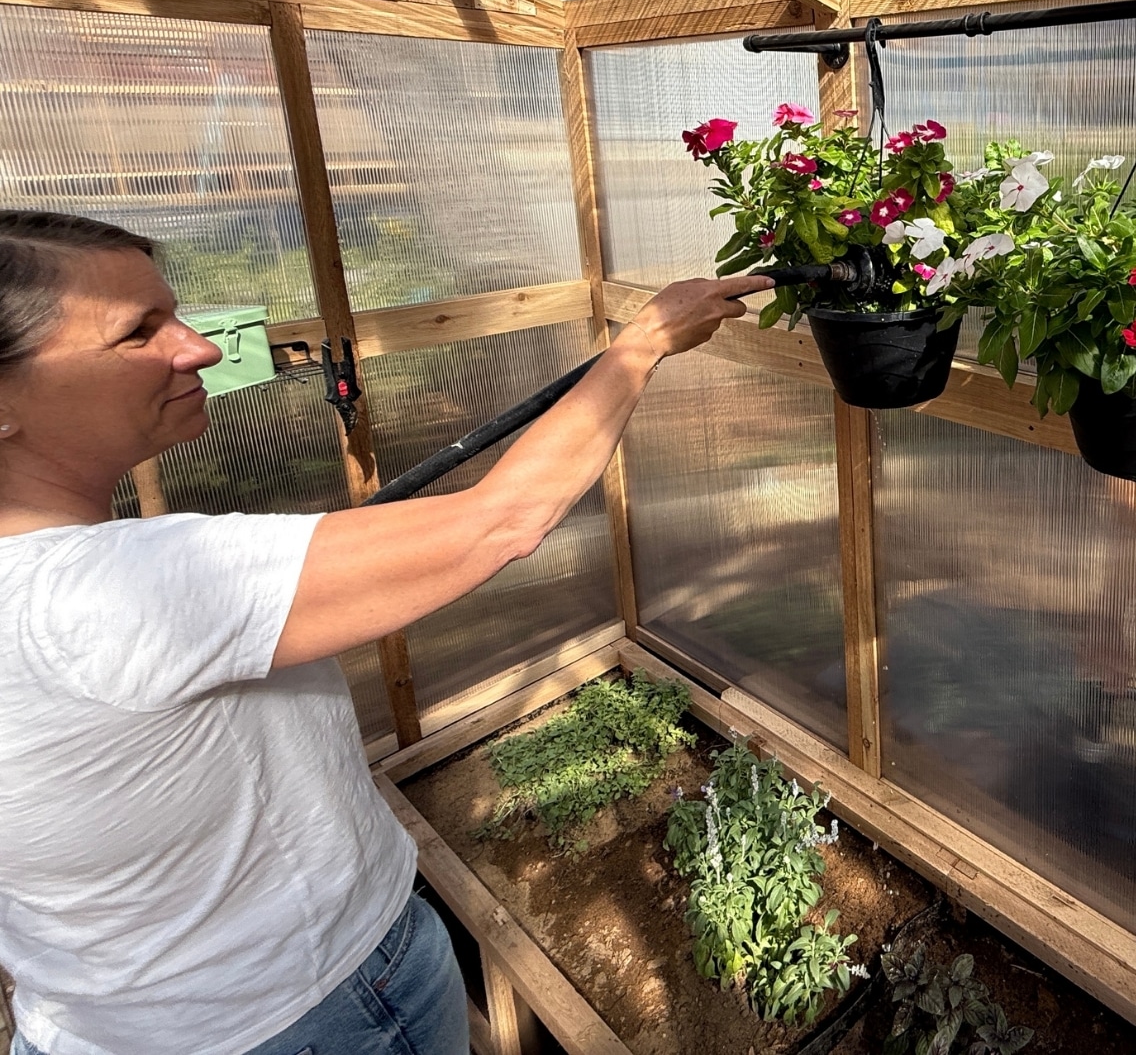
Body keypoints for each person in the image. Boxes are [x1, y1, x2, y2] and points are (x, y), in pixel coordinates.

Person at [0, 209, 767, 1055]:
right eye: (138, 332)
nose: (201, 348)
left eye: (174, 313)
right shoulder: (105, 591)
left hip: (94, 1022)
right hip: (306, 1013)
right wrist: (641, 344)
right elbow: (500, 522)